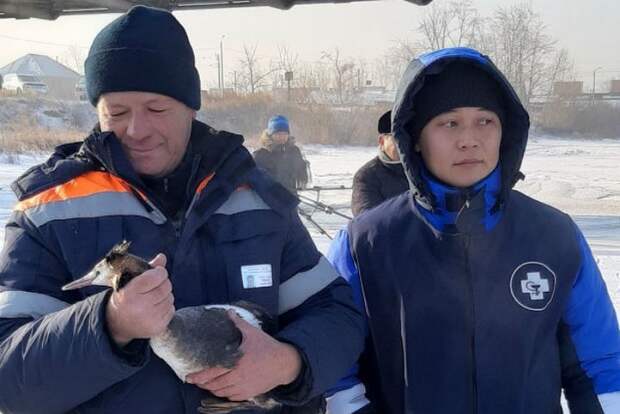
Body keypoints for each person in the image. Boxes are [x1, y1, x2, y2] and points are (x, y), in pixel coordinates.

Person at [0, 6, 364, 414]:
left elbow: (339, 316)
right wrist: (108, 324)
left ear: (192, 106)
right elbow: (9, 379)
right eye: (116, 113)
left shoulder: (257, 198)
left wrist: (287, 361)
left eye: (157, 109)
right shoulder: (49, 211)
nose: (136, 130)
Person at [328, 47, 620, 413]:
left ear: (505, 130)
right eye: (449, 123)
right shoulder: (364, 245)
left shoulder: (554, 237)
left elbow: (600, 365)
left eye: (485, 121)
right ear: (414, 137)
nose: (469, 139)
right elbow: (335, 367)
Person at [351, 110, 409, 216]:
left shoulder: (427, 168)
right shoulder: (367, 176)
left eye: (409, 137)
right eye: (397, 137)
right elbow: (366, 219)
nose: (404, 143)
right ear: (382, 142)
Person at [253, 115, 310, 195]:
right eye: (278, 134)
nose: (282, 137)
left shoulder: (294, 151)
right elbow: (253, 178)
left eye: (285, 134)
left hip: (290, 197)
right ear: (270, 134)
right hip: (268, 199)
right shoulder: (260, 154)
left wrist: (303, 178)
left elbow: (300, 169)